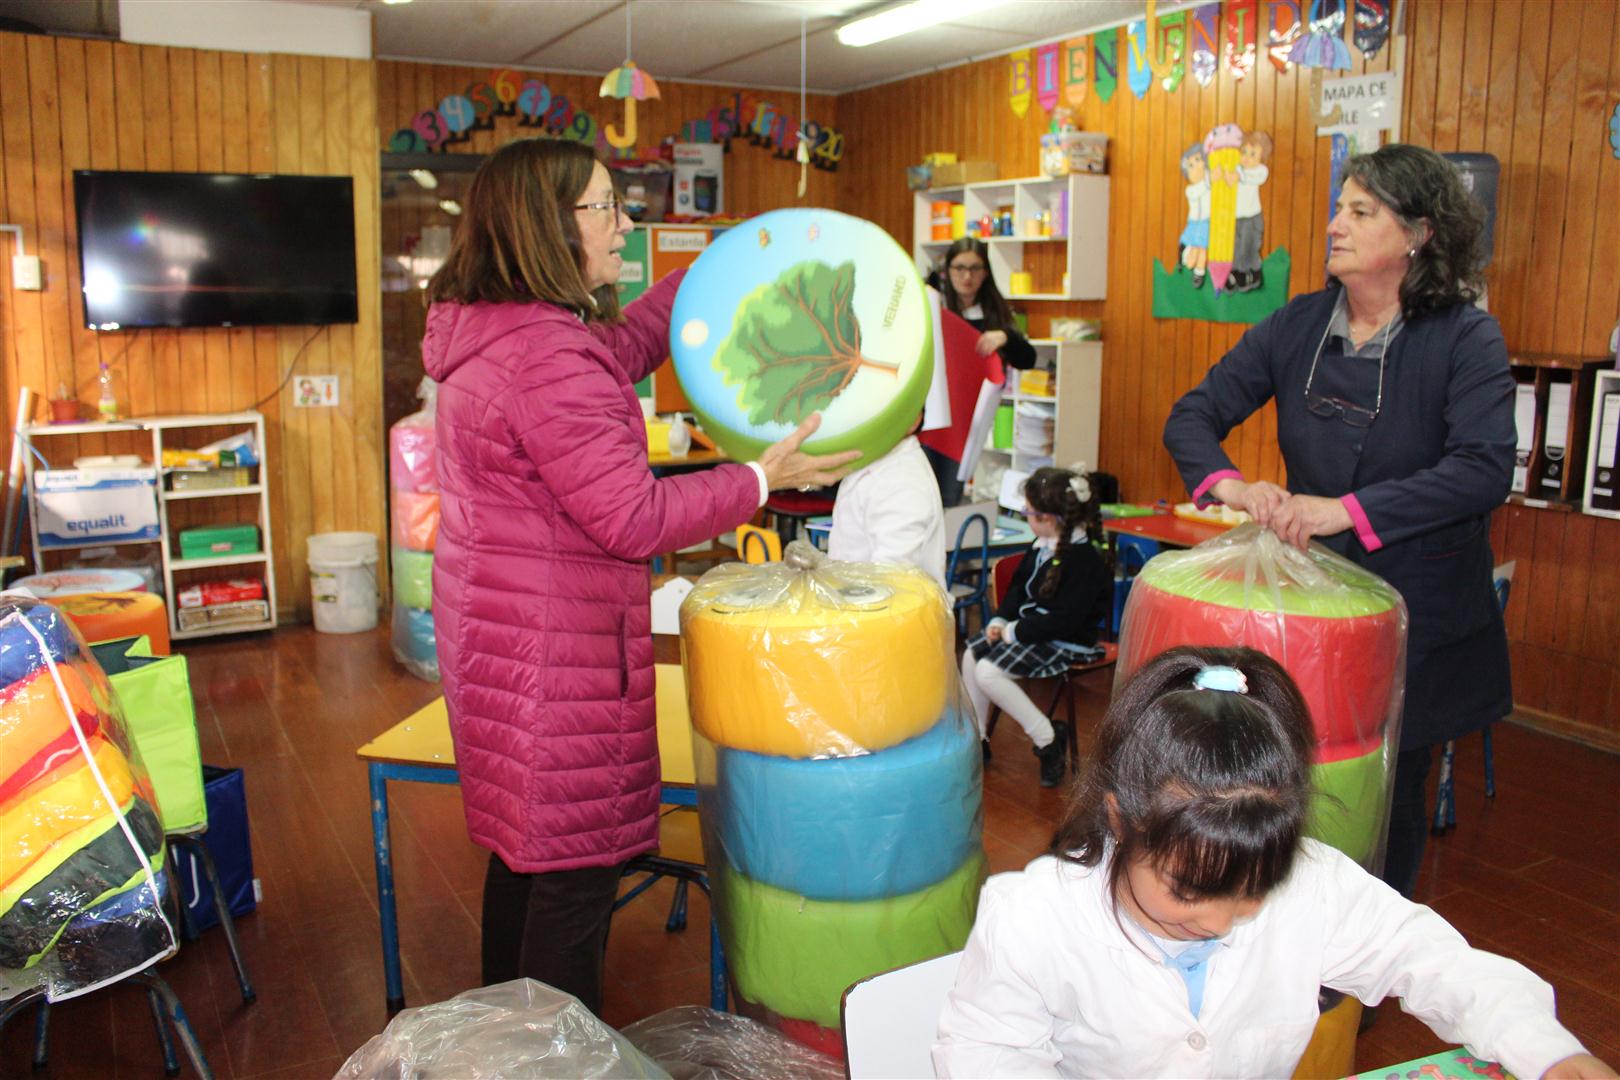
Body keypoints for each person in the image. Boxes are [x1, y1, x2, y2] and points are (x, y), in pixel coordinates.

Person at [421, 137, 859, 1014]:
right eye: (605, 208)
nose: (624, 225)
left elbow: (615, 349)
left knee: (527, 855)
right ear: (548, 225)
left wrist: (712, 272)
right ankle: (548, 1062)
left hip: (507, 643)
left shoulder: (505, 332)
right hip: (559, 660)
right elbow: (634, 517)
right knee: (573, 875)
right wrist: (760, 478)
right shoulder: (546, 356)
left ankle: (499, 1040)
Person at [934, 646, 1612, 1080]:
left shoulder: (1312, 884)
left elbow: (1428, 957)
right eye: (1188, 891)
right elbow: (985, 1059)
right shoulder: (1035, 918)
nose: (1219, 921)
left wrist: (1542, 1046)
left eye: (1252, 890)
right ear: (1119, 821)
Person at [1162, 143, 1514, 901]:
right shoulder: (1297, 325)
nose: (1335, 225)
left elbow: (1484, 468)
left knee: (1389, 788)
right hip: (1313, 609)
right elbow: (1192, 415)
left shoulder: (1466, 338)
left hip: (1421, 612)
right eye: (1339, 207)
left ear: (1417, 233)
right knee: (1295, 772)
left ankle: (1369, 947)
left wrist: (1347, 511)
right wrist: (1231, 486)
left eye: (1361, 211)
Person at [959, 466, 1110, 787]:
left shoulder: (1085, 561)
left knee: (988, 672)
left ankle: (1047, 740)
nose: (1026, 516)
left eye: (1028, 511)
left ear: (1048, 518)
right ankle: (979, 740)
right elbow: (1017, 589)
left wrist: (1014, 632)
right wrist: (1001, 620)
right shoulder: (1041, 543)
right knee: (972, 655)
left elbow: (1065, 621)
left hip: (1066, 640)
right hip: (1032, 630)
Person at [926, 237, 1039, 506]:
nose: (967, 276)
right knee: (922, 494)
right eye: (960, 268)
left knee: (948, 497)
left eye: (975, 268)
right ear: (947, 270)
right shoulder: (934, 306)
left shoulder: (994, 315)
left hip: (967, 424)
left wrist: (1006, 337)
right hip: (930, 418)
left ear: (985, 272)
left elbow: (1028, 358)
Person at [828, 413, 947, 586]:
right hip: (852, 593)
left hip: (880, 600)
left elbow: (891, 582)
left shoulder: (902, 482)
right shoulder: (873, 460)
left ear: (914, 419)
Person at [1178, 143, 1211, 289]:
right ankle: (1185, 258)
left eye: (1198, 160)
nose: (1196, 167)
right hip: (1193, 223)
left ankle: (1199, 272)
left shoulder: (1210, 185)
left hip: (1205, 223)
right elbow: (1202, 187)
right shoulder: (1191, 190)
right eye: (1190, 165)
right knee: (1192, 254)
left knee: (1202, 248)